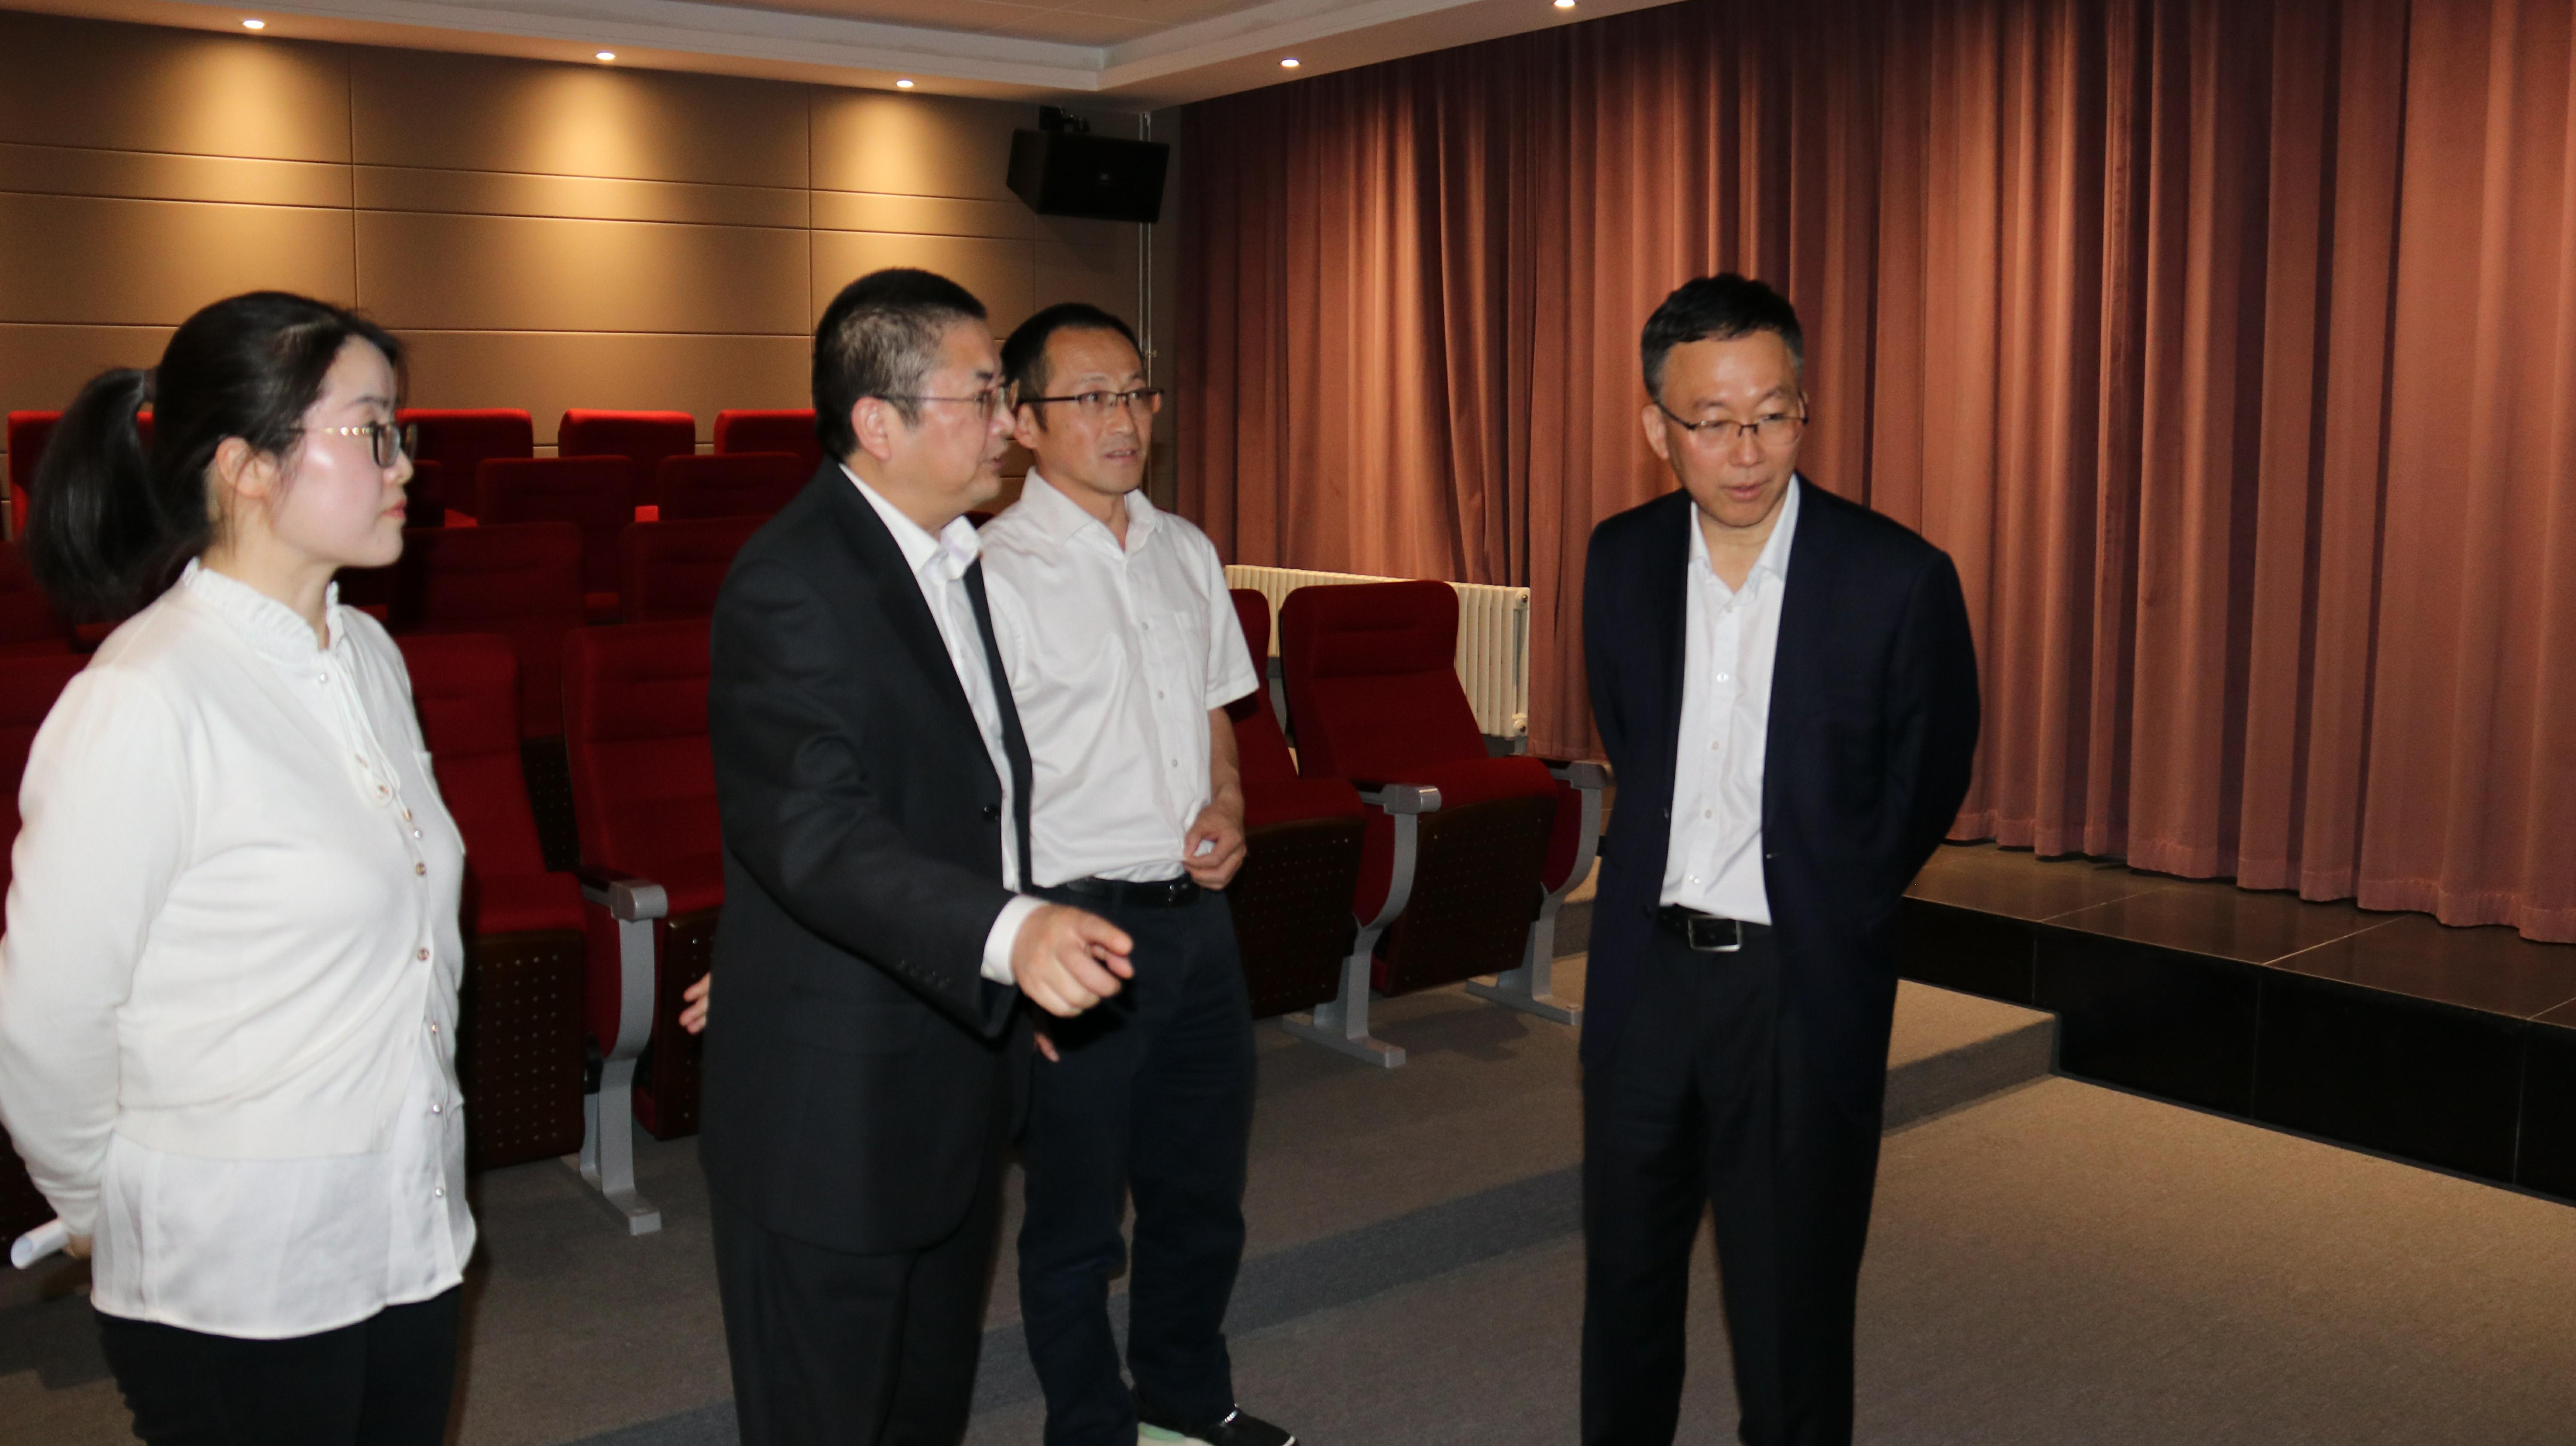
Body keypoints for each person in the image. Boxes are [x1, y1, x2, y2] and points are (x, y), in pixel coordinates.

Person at [0, 292, 471, 1446]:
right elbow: (49, 1025)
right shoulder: (143, 698)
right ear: (247, 467)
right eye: (373, 431)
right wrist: (97, 1209)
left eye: (400, 430)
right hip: (237, 1274)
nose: (405, 464)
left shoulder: (366, 654)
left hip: (406, 1228)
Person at [697, 267, 1136, 1446]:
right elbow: (815, 833)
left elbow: (970, 799)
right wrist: (1010, 935)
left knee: (922, 1410)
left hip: (949, 1072)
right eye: (983, 394)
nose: (1007, 421)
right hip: (832, 1113)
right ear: (878, 422)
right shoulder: (792, 579)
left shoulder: (948, 556)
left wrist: (1012, 967)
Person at [1578, 274, 1981, 1446]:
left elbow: (1928, 776)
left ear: (1806, 408)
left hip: (1797, 983)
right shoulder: (1622, 558)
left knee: (1789, 1308)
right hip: (1645, 974)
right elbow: (1632, 736)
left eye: (1773, 415)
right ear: (1657, 427)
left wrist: (1832, 893)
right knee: (1627, 1288)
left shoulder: (1897, 577)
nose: (1747, 451)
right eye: (1712, 422)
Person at [980, 303, 1292, 1446]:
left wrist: (1229, 806)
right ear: (1022, 422)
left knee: (1200, 1197)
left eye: (1135, 394)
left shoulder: (1185, 549)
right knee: (1075, 1220)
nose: (1124, 419)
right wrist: (1016, 964)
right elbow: (977, 789)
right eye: (1090, 398)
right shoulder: (991, 575)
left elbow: (1216, 713)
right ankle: (1089, 1426)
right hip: (1075, 930)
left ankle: (1184, 1396)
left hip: (1196, 922)